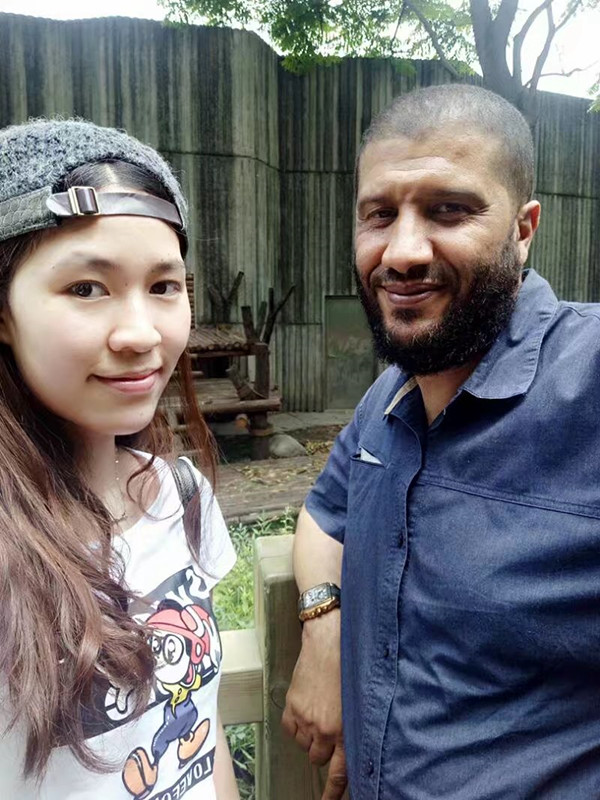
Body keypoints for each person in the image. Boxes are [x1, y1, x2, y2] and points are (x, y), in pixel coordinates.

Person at [283, 82, 600, 799]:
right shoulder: (389, 396)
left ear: (523, 229)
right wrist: (323, 627)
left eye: (448, 210)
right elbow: (324, 516)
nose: (402, 252)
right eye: (379, 215)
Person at [0, 119, 240, 800]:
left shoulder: (181, 494)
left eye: (164, 286)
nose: (140, 333)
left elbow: (202, 724)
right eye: (86, 288)